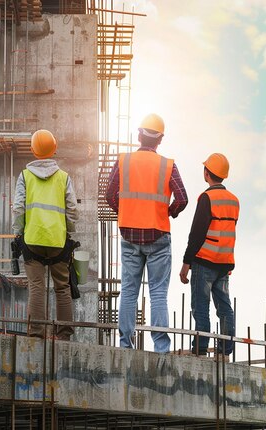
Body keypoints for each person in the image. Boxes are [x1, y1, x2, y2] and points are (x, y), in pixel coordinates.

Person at [106, 113, 188, 353]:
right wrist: (169, 212)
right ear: (160, 140)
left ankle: (124, 345)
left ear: (139, 134)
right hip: (158, 235)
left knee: (129, 291)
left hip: (130, 235)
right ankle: (161, 347)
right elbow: (182, 198)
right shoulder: (167, 165)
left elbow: (110, 195)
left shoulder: (124, 161)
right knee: (158, 293)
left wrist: (126, 211)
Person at [12, 129, 79, 340]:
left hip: (32, 240)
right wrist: (69, 231)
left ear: (32, 150)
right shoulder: (64, 178)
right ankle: (64, 335)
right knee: (63, 288)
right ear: (55, 149)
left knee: (37, 288)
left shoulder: (24, 176)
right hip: (58, 241)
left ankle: (36, 335)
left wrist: (18, 233)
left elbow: (18, 208)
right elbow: (72, 210)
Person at [179, 153, 239, 358]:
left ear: (207, 173)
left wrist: (186, 263)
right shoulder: (234, 201)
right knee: (224, 308)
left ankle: (201, 349)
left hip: (204, 261)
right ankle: (224, 351)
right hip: (224, 263)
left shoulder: (207, 198)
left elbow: (196, 234)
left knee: (201, 307)